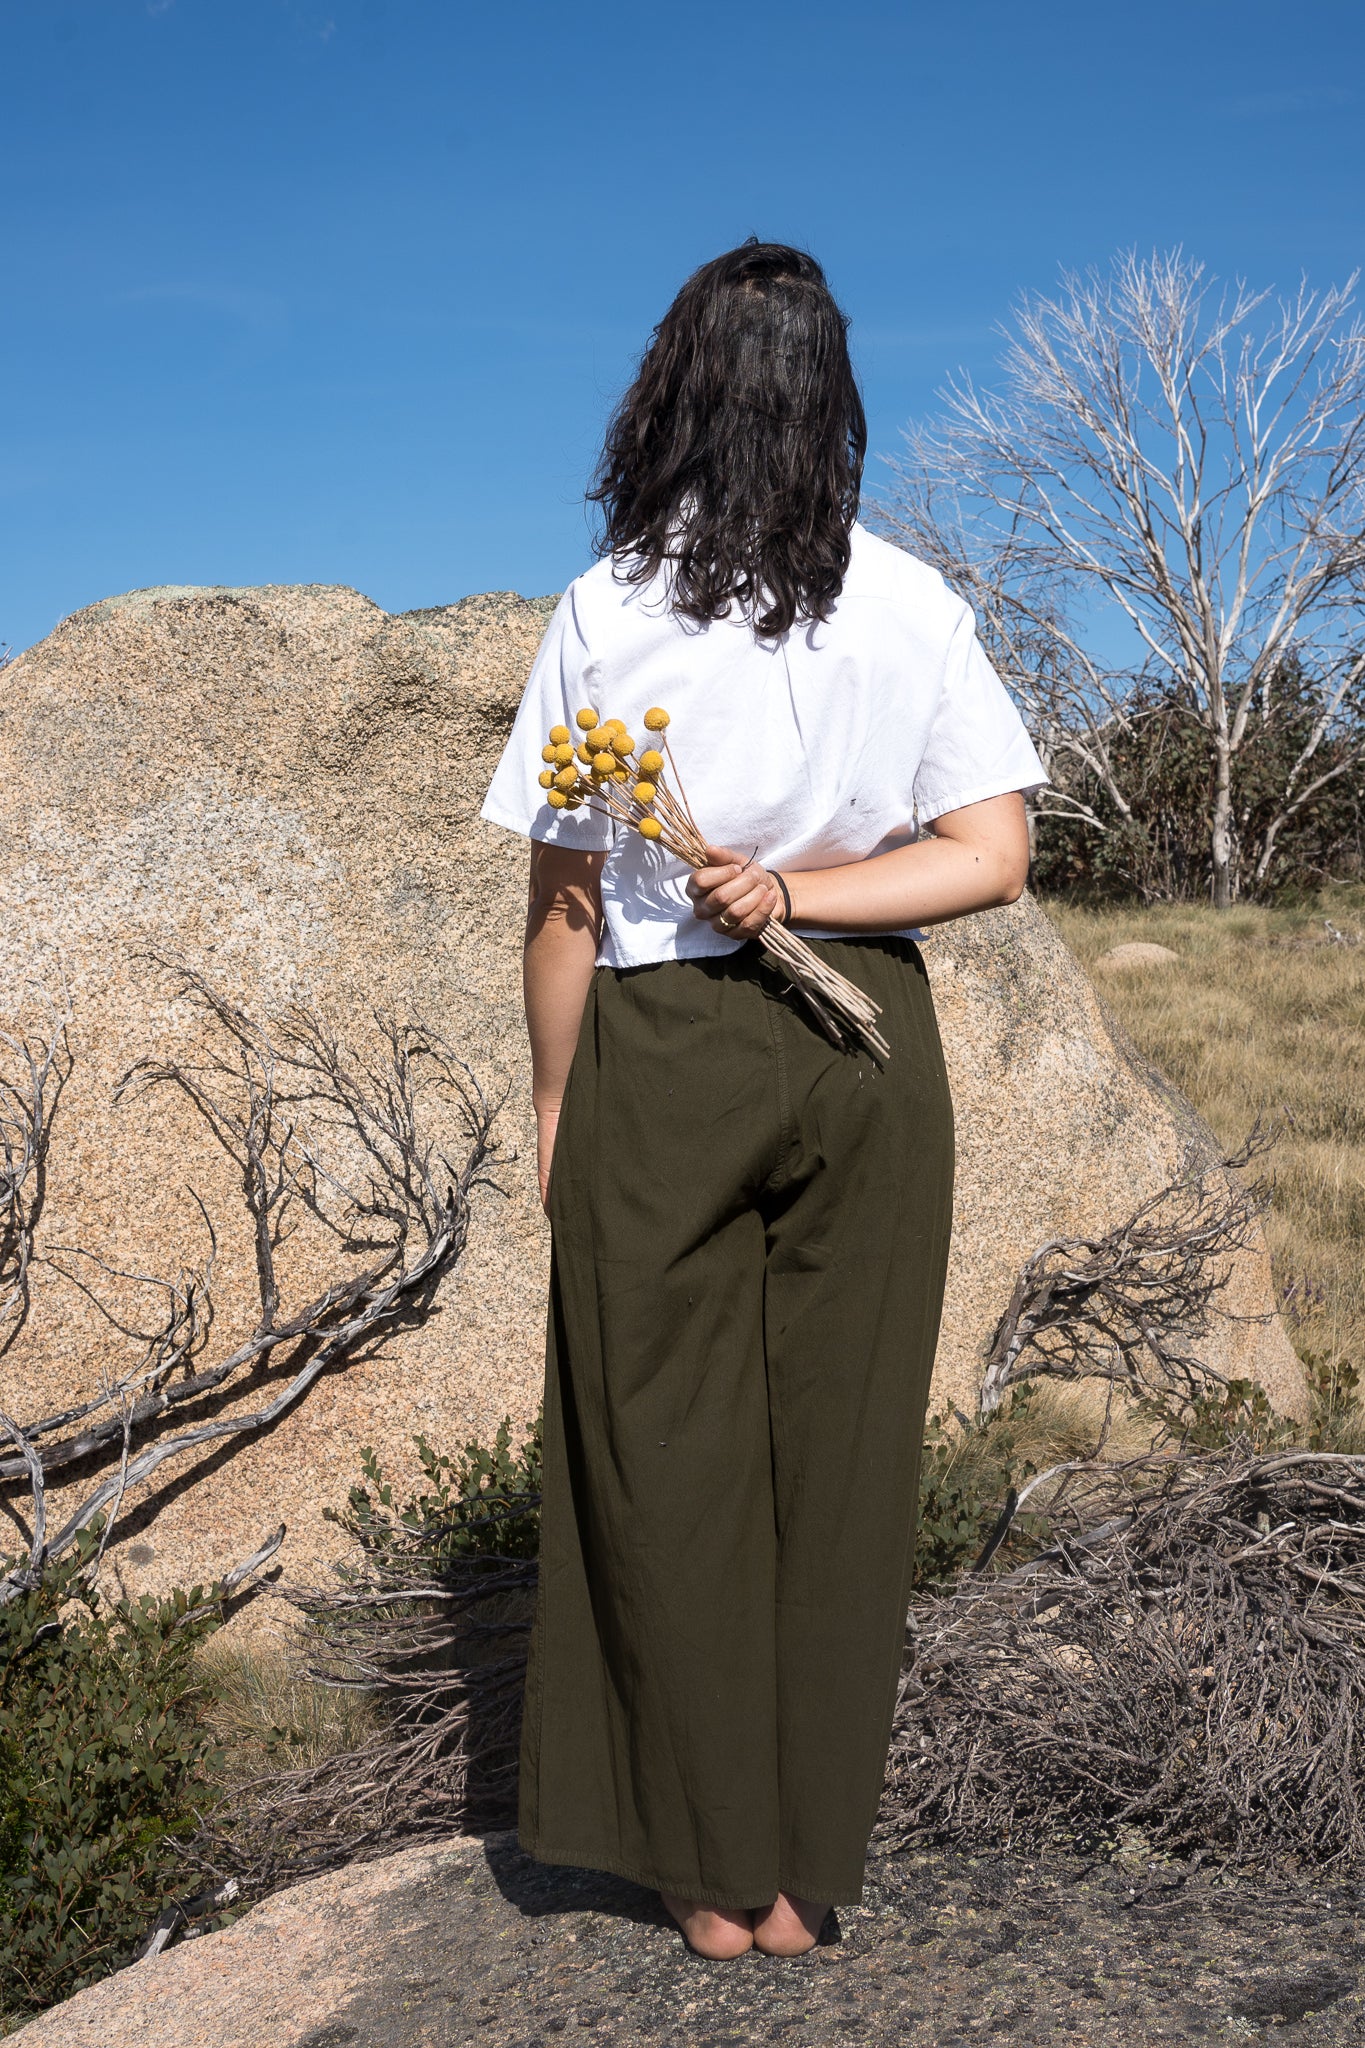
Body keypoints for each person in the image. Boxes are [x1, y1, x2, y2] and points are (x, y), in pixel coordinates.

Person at [480, 240, 1047, 1961]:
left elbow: (570, 902)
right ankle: (804, 1871)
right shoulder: (909, 601)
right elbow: (993, 856)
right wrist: (810, 899)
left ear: (676, 392)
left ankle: (705, 1867)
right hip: (867, 1053)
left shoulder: (611, 604)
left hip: (666, 1046)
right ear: (833, 406)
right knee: (843, 1463)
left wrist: (559, 1104)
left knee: (663, 1461)